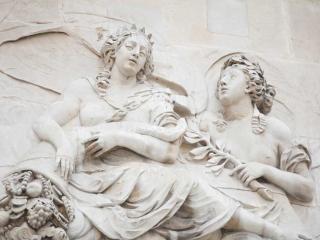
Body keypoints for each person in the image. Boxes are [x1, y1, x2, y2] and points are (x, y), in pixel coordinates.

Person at [18, 27, 307, 239]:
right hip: (85, 176)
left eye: (143, 52)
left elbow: (170, 148)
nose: (136, 53)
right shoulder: (84, 89)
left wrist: (118, 136)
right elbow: (44, 122)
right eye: (130, 46)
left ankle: (271, 231)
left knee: (181, 183)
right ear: (114, 50)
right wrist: (62, 145)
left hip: (136, 177)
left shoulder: (153, 97)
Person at [197, 54, 314, 239]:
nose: (223, 82)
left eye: (232, 76)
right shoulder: (207, 128)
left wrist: (265, 170)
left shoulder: (275, 129)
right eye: (222, 77)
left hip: (277, 219)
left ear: (250, 86)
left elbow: (307, 190)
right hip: (225, 218)